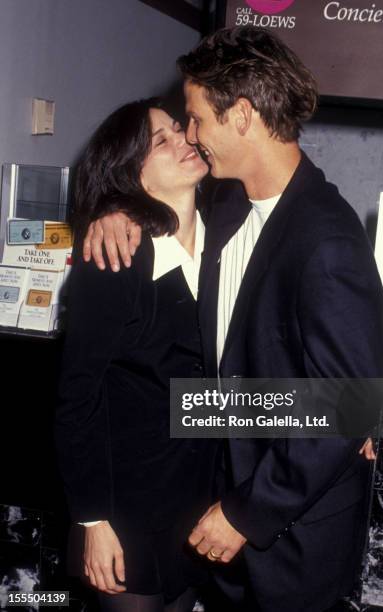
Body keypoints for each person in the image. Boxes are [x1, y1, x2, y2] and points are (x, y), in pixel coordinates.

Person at [82, 27, 383, 611]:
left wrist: (355, 411)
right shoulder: (229, 206)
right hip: (218, 519)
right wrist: (115, 211)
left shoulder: (326, 239)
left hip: (291, 543)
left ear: (243, 115)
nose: (191, 137)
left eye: (196, 119)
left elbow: (344, 403)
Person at [55, 99, 218, 612]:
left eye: (179, 129)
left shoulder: (231, 238)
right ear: (130, 173)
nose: (185, 142)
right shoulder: (113, 258)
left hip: (201, 507)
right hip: (126, 510)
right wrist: (92, 521)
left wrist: (347, 412)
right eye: (161, 143)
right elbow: (76, 399)